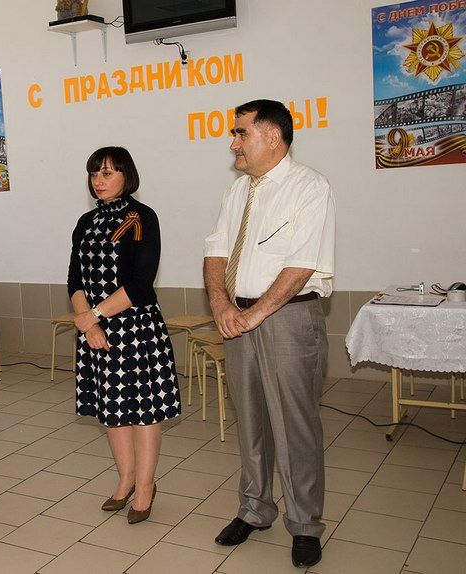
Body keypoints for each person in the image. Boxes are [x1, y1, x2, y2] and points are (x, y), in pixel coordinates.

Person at [203, 99, 335, 567]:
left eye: (241, 133)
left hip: (288, 319)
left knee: (295, 425)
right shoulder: (237, 191)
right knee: (251, 420)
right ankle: (255, 509)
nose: (233, 143)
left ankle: (305, 525)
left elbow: (301, 266)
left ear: (273, 137)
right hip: (237, 317)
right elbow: (216, 252)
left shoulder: (309, 187)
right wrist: (221, 305)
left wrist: (254, 314)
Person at [68, 146, 181, 524]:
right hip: (95, 329)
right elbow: (74, 279)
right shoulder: (86, 222)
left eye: (108, 173)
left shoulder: (141, 217)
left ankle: (146, 486)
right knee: (112, 409)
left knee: (144, 411)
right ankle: (126, 479)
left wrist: (94, 315)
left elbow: (140, 283)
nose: (98, 180)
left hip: (135, 327)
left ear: (126, 176)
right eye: (94, 173)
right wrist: (88, 322)